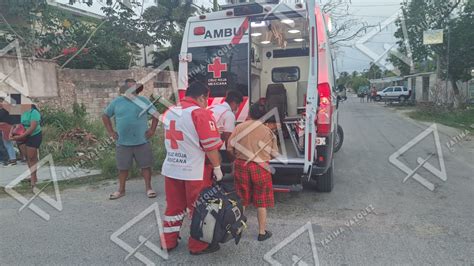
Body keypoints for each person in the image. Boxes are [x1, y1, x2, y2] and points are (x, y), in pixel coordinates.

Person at [161, 81, 223, 255]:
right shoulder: (200, 113)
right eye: (207, 99)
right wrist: (217, 168)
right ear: (202, 97)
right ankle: (198, 245)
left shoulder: (169, 111)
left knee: (174, 207)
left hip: (172, 167)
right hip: (194, 171)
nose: (207, 103)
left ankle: (168, 241)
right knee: (199, 208)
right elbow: (210, 146)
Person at [227, 103, 278, 242]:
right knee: (261, 201)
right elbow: (275, 154)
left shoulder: (239, 127)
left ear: (249, 113)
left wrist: (236, 158)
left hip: (241, 165)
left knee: (242, 199)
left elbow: (229, 148)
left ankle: (238, 230)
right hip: (261, 168)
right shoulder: (268, 131)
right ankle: (262, 233)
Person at [102, 80, 159, 200]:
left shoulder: (143, 101)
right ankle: (121, 190)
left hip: (142, 140)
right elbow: (105, 115)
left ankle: (149, 188)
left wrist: (152, 130)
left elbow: (155, 114)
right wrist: (111, 132)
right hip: (123, 142)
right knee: (122, 168)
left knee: (146, 166)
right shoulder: (117, 102)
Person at [10, 103, 42, 188]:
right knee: (27, 157)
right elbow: (14, 124)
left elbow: (32, 128)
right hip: (21, 135)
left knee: (32, 157)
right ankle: (32, 174)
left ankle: (33, 177)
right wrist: (11, 134)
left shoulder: (34, 112)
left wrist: (21, 136)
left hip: (33, 135)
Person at [0, 97, 17, 166]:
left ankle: (12, 159)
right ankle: (10, 159)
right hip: (4, 128)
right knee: (6, 144)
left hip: (6, 128)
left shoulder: (5, 110)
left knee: (7, 144)